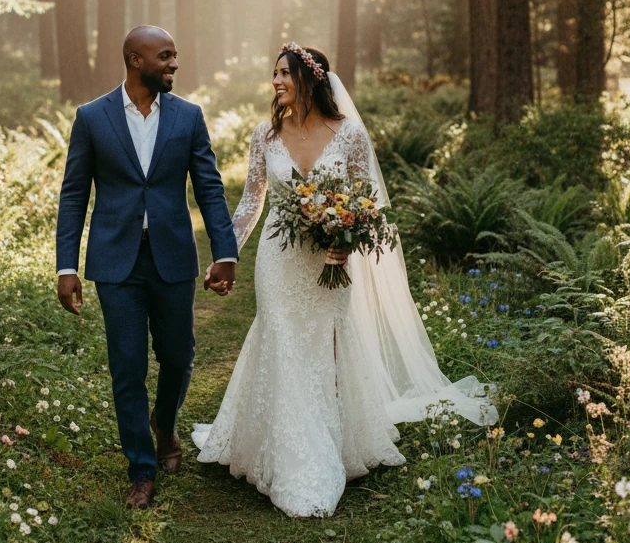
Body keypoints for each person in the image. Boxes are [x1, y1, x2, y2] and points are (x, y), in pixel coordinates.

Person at [193, 43, 497, 518]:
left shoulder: (350, 134)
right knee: (281, 340)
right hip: (278, 260)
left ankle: (327, 443)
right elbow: (251, 204)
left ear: (310, 79)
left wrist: (347, 241)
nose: (275, 82)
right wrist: (225, 255)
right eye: (273, 74)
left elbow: (367, 203)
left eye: (285, 74)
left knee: (323, 346)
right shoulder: (265, 135)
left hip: (329, 262)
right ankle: (289, 457)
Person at [56, 26, 238, 509]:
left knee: (178, 356)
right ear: (135, 60)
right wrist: (65, 266)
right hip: (115, 264)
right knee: (127, 367)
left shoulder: (188, 117)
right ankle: (141, 468)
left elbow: (210, 188)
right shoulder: (92, 118)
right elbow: (74, 194)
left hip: (172, 256)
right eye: (165, 56)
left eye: (175, 55)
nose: (174, 64)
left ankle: (164, 421)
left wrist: (226, 252)